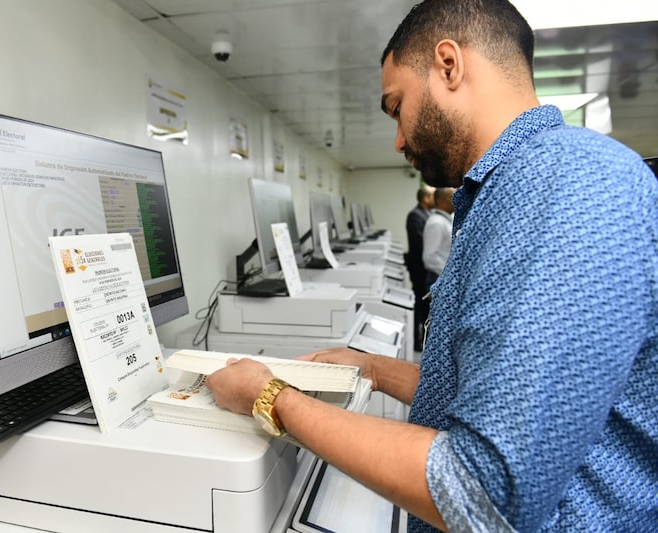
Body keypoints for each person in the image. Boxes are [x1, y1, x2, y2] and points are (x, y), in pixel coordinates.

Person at [206, 0, 658, 531]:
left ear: (449, 65)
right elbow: (490, 392)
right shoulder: (514, 189)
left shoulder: (565, 184)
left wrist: (270, 397)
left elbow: (482, 492)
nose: (398, 139)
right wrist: (372, 369)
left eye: (396, 107)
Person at [404, 186, 434, 351]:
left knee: (424, 307)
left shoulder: (428, 214)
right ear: (424, 198)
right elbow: (420, 242)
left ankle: (422, 338)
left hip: (424, 268)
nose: (434, 198)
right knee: (419, 304)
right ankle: (416, 341)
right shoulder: (415, 215)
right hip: (419, 269)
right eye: (431, 196)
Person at [421, 187, 455, 287]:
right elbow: (430, 257)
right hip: (439, 278)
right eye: (451, 198)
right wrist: (450, 273)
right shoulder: (436, 223)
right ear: (440, 201)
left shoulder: (447, 220)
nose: (455, 200)